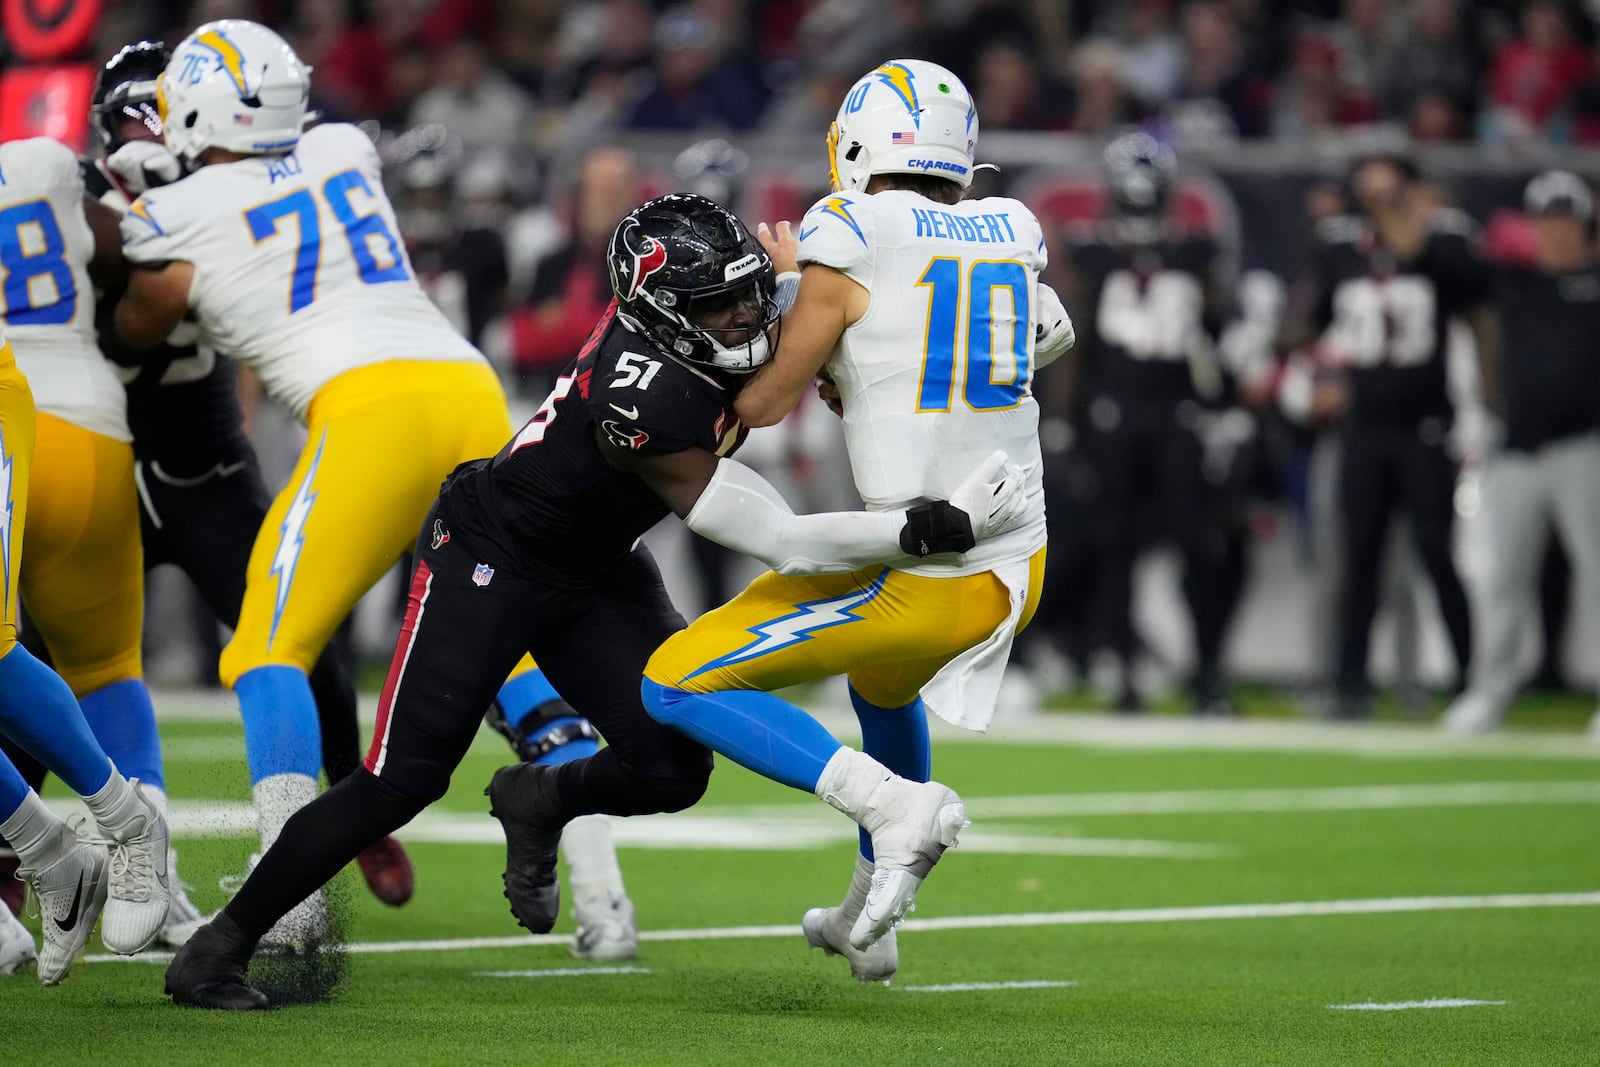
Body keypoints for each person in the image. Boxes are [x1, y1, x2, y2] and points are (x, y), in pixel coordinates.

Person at [161, 191, 1025, 1009]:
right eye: (722, 306)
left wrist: (807, 281)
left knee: (673, 767)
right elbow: (782, 538)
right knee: (403, 778)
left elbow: (831, 322)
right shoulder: (639, 389)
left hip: (598, 565)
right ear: (664, 312)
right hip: (491, 557)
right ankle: (220, 944)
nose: (747, 319)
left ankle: (538, 796)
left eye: (748, 295)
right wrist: (920, 530)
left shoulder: (702, 325)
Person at [634, 59, 1072, 982]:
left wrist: (795, 291)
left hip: (926, 570)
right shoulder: (1015, 228)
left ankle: (889, 808)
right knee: (881, 687)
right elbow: (1048, 333)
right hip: (1012, 561)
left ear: (862, 143)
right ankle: (870, 908)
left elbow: (764, 404)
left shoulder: (849, 226)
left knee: (674, 682)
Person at [113, 20, 513, 942]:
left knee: (265, 649)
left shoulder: (175, 211)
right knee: (508, 626)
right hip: (468, 388)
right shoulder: (343, 146)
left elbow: (146, 318)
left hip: (371, 410)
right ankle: (562, 766)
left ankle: (286, 879)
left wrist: (141, 212)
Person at [0, 137, 171, 983]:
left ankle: (118, 825)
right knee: (100, 658)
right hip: (83, 401)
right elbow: (125, 247)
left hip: (18, 399)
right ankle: (62, 850)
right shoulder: (34, 165)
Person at [1294, 154, 1491, 717]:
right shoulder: (1341, 253)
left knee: (1436, 554)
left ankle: (1470, 682)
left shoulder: (1442, 241)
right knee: (1360, 563)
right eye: (1369, 191)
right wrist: (1301, 365)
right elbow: (1313, 326)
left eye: (1388, 189)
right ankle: (1350, 685)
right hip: (1365, 430)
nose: (1377, 200)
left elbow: (1474, 304)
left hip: (1426, 429)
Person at [1066, 131, 1244, 713]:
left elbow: (1219, 335)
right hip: (1115, 417)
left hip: (1177, 415)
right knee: (1112, 546)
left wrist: (1227, 404)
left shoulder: (1195, 254)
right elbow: (1075, 339)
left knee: (1198, 545)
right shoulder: (1091, 254)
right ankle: (1123, 672)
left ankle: (1208, 673)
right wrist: (1066, 420)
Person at [1442, 171, 1600, 737]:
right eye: (1547, 223)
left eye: (1566, 223)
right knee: (1503, 581)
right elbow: (1447, 262)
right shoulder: (1513, 282)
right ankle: (1489, 695)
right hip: (1515, 452)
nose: (1556, 234)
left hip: (1585, 448)